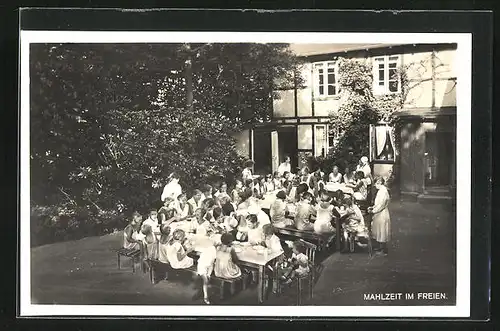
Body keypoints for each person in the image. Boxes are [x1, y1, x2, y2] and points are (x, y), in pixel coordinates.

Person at [368, 177, 391, 256]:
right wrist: (373, 207)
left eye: (376, 184)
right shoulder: (380, 191)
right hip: (378, 213)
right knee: (378, 231)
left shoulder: (383, 192)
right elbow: (377, 203)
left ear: (379, 183)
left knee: (382, 231)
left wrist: (373, 211)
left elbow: (381, 205)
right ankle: (380, 247)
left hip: (382, 213)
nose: (375, 186)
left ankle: (383, 250)